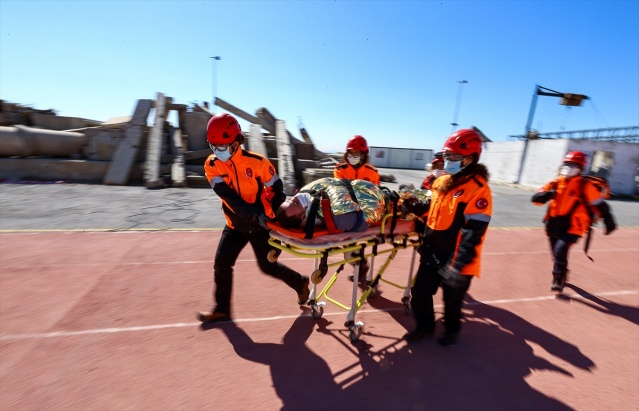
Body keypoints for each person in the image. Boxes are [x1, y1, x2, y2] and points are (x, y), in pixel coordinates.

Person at [197, 113, 310, 323]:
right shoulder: (212, 165)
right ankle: (222, 309)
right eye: (214, 146)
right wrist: (255, 216)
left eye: (223, 146)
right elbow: (230, 198)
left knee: (268, 267)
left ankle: (300, 283)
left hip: (262, 227)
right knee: (221, 263)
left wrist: (279, 217)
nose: (218, 151)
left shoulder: (258, 163)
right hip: (236, 224)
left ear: (237, 141)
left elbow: (276, 190)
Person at [402, 128, 492, 346]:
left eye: (454, 157)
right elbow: (432, 210)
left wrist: (459, 264)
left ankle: (452, 329)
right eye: (447, 156)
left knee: (452, 300)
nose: (448, 161)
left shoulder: (478, 190)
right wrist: (414, 206)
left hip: (457, 255)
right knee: (420, 291)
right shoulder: (441, 182)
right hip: (432, 250)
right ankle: (425, 327)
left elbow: (474, 231)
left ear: (470, 158)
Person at [531, 151, 616, 292]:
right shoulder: (556, 183)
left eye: (572, 165)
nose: (568, 167)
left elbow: (601, 205)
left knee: (560, 250)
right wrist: (543, 196)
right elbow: (536, 198)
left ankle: (558, 278)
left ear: (580, 168)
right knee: (556, 253)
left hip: (574, 227)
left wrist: (609, 221)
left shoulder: (585, 186)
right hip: (553, 225)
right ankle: (562, 270)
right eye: (566, 164)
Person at [276, 177, 430, 232]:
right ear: (303, 215)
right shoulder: (330, 215)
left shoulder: (310, 197)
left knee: (405, 196)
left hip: (372, 193)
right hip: (380, 204)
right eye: (295, 202)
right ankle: (423, 202)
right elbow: (359, 223)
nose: (295, 197)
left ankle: (408, 194)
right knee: (418, 203)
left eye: (291, 198)